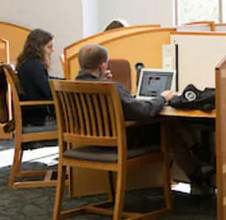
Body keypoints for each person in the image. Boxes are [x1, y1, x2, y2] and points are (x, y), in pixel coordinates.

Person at [75, 44, 214, 193]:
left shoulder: (72, 87)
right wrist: (162, 97)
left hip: (90, 142)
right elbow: (144, 112)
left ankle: (197, 173)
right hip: (122, 142)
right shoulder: (111, 87)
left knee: (169, 125)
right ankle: (199, 167)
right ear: (103, 65)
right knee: (168, 126)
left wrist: (102, 80)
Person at [16, 29, 58, 127]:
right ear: (39, 48)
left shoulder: (27, 63)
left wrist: (62, 81)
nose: (52, 51)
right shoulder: (35, 67)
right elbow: (49, 92)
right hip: (39, 118)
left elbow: (45, 80)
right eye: (49, 47)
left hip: (31, 114)